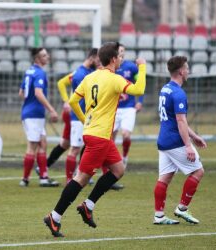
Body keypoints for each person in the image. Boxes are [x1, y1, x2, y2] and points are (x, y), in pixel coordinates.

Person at [43, 42, 146, 237]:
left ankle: (88, 206)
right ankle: (54, 217)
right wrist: (142, 66)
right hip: (99, 137)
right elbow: (139, 90)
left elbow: (73, 100)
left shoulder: (90, 77)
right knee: (81, 178)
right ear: (114, 59)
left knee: (118, 170)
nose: (122, 59)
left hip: (97, 135)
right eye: (120, 57)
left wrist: (85, 120)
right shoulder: (115, 79)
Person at [153, 56, 207, 225]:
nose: (189, 71)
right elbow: (180, 121)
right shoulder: (178, 93)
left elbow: (173, 119)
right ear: (182, 71)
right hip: (175, 141)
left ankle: (159, 216)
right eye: (187, 68)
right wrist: (188, 145)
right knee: (198, 171)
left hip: (163, 140)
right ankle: (182, 208)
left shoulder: (165, 89)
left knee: (164, 178)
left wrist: (194, 136)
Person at [101, 43, 145, 190]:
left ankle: (124, 157)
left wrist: (140, 102)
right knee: (109, 139)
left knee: (126, 134)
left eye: (123, 52)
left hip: (128, 109)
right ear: (114, 55)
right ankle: (108, 171)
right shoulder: (109, 70)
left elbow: (140, 85)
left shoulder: (131, 67)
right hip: (113, 109)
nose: (122, 54)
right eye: (119, 52)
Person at [19, 47, 59, 188]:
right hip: (34, 115)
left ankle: (43, 178)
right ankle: (25, 179)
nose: (47, 57)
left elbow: (21, 93)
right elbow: (38, 93)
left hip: (31, 113)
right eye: (44, 55)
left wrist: (30, 104)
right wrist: (51, 109)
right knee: (32, 146)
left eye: (47, 54)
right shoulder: (40, 73)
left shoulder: (29, 71)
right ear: (37, 58)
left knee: (42, 144)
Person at [64, 48, 99, 184]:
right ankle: (69, 179)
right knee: (74, 148)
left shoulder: (88, 72)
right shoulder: (80, 75)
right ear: (91, 58)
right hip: (78, 118)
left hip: (87, 117)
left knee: (85, 147)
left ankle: (81, 175)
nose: (99, 62)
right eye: (97, 59)